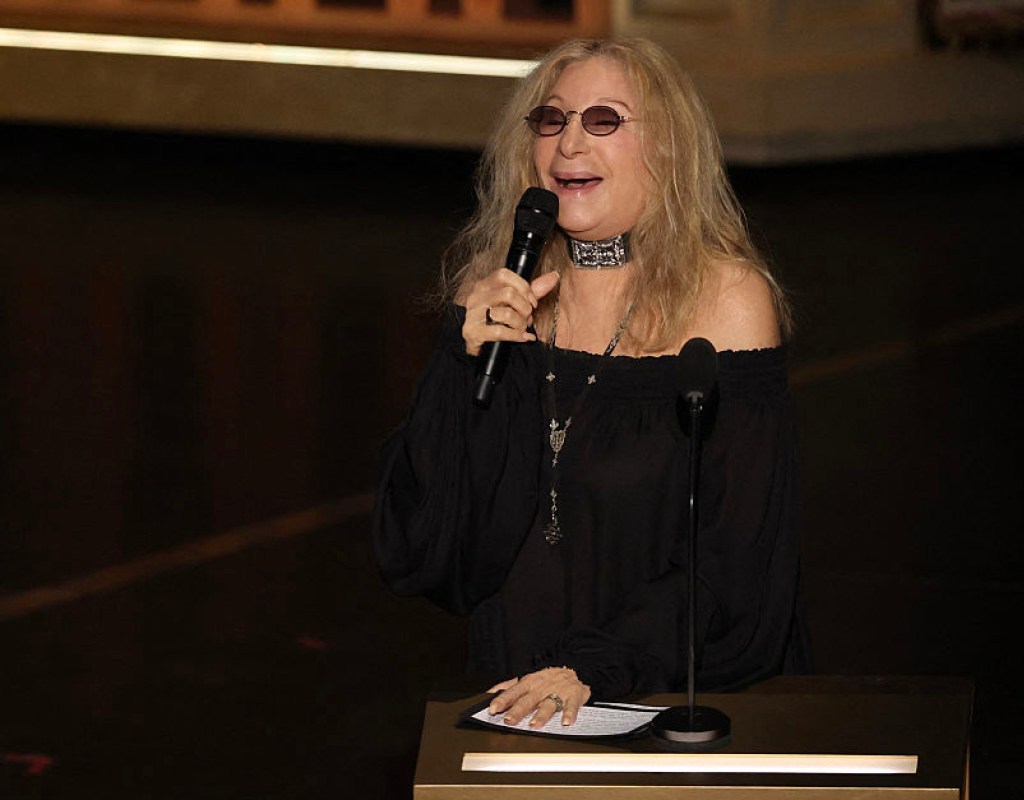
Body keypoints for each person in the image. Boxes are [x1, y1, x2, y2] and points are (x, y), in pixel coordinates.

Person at [373, 37, 808, 731]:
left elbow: (737, 559)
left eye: (603, 120)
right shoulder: (497, 294)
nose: (569, 142)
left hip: (668, 695)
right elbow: (425, 543)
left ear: (667, 148)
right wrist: (459, 363)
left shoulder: (728, 301)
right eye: (552, 119)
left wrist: (593, 668)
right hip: (516, 694)